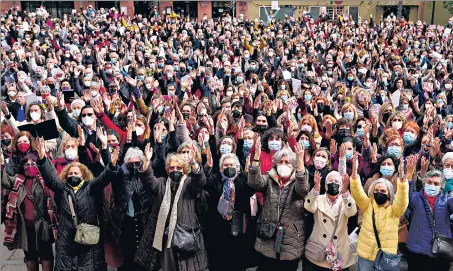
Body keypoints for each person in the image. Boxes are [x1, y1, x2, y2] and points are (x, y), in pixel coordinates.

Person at [35, 137, 119, 271]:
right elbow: (50, 177)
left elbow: (104, 178)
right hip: (67, 241)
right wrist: (42, 159)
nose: (72, 175)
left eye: (76, 173)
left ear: (83, 175)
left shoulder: (91, 187)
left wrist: (112, 166)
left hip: (88, 242)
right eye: (70, 173)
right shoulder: (62, 189)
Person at [134, 148, 209, 271]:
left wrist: (194, 164)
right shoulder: (161, 183)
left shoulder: (189, 183)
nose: (175, 170)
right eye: (172, 168)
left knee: (187, 267)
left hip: (185, 236)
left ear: (184, 169)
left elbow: (200, 181)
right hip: (165, 237)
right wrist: (147, 161)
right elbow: (148, 181)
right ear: (168, 170)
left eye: (178, 168)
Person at [248, 140, 308, 271]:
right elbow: (255, 183)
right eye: (280, 162)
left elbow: (303, 190)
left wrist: (300, 163)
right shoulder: (270, 178)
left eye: (287, 162)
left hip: (291, 238)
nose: (283, 164)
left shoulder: (300, 178)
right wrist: (256, 158)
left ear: (294, 165)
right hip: (268, 235)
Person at [350, 153, 411, 270]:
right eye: (376, 190)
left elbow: (403, 199)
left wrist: (403, 180)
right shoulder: (367, 205)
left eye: (383, 190)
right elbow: (357, 192)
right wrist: (354, 174)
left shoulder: (395, 209)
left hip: (386, 256)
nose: (379, 192)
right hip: (366, 255)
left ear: (389, 193)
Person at [2, 153, 56, 271]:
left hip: (43, 226)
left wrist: (44, 157)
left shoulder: (44, 180)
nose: (30, 166)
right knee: (30, 256)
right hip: (26, 228)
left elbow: (53, 174)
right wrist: (2, 164)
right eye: (27, 164)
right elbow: (5, 181)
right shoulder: (18, 180)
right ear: (22, 167)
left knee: (46, 255)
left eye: (33, 164)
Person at [204, 153, 256, 271]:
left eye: (231, 165)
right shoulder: (215, 179)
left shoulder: (243, 179)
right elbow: (206, 185)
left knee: (237, 262)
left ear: (237, 167)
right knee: (219, 262)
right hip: (218, 229)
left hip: (238, 227)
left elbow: (251, 190)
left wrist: (249, 174)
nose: (228, 167)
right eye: (225, 165)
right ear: (221, 167)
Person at [304, 171, 357, 271]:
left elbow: (352, 212)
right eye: (330, 181)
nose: (333, 183)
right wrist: (316, 188)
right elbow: (308, 206)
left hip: (339, 253)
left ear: (341, 185)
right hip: (319, 251)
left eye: (336, 181)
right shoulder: (318, 199)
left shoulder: (346, 200)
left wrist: (345, 192)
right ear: (325, 185)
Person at [406, 170, 453, 271]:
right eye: (429, 182)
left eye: (436, 183)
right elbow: (404, 197)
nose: (432, 185)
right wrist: (408, 179)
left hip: (441, 253)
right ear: (424, 183)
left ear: (441, 186)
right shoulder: (415, 198)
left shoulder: (446, 200)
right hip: (417, 252)